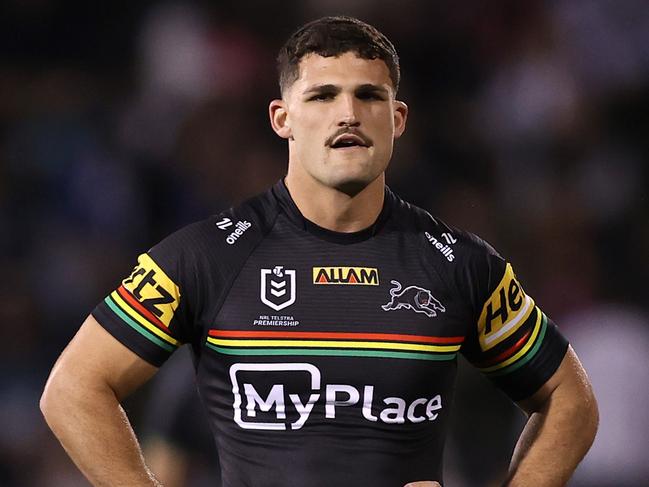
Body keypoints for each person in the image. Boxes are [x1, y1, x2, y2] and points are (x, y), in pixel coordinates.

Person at [40, 16, 598, 487]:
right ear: (283, 119)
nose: (348, 113)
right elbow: (73, 389)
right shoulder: (206, 256)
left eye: (369, 95)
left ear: (396, 119)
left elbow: (570, 402)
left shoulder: (457, 264)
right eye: (323, 95)